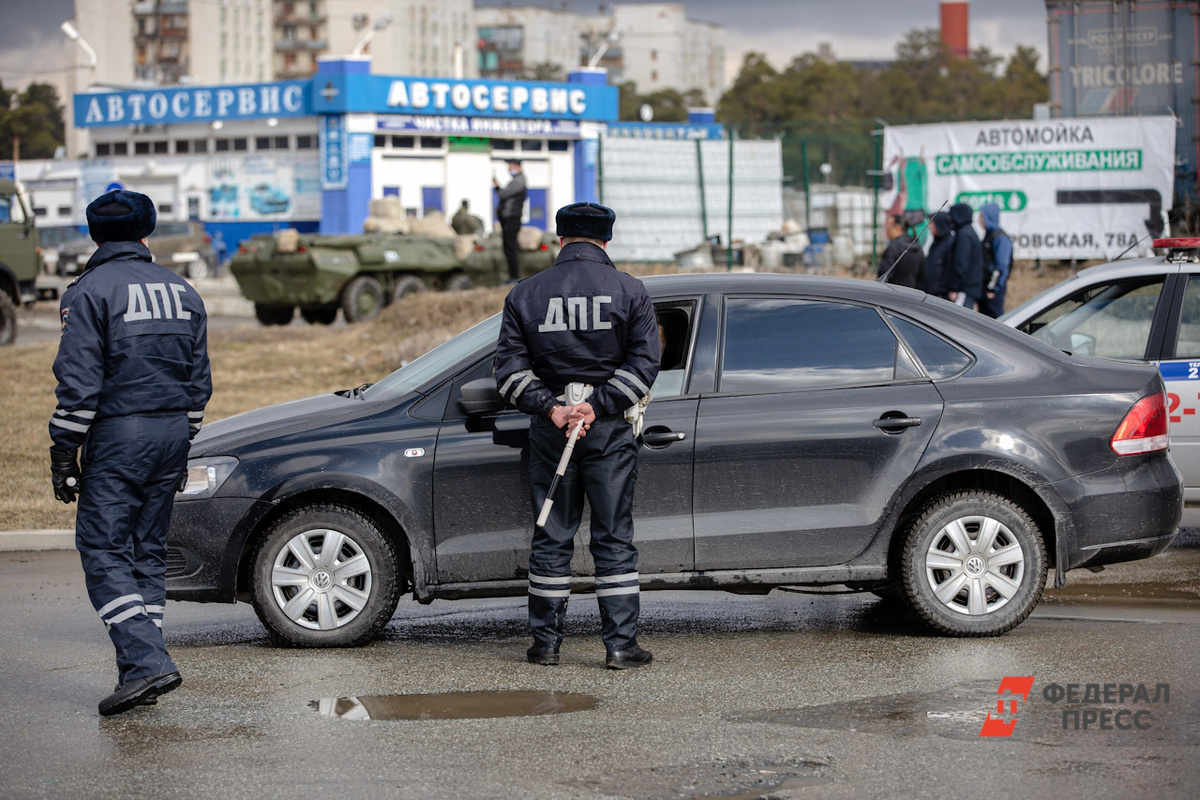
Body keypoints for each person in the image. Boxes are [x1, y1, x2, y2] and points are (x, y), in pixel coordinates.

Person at [49, 189, 211, 716]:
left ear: (95, 235)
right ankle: (139, 668)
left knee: (103, 549)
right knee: (145, 552)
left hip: (119, 436)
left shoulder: (89, 292)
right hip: (170, 436)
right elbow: (198, 381)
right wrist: (182, 440)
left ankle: (146, 664)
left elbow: (78, 383)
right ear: (148, 233)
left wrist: (63, 451)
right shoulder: (183, 290)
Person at [494, 201, 660, 670]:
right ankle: (621, 647)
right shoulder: (631, 291)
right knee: (613, 538)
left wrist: (554, 409)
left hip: (551, 433)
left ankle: (545, 646)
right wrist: (598, 405)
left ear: (560, 239)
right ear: (606, 240)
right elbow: (645, 365)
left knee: (551, 535)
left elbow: (507, 372)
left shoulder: (525, 293)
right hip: (607, 431)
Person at [493, 159, 527, 282]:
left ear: (517, 167)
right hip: (508, 219)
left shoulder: (519, 181)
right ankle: (513, 275)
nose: (509, 169)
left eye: (511, 166)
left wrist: (497, 187)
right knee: (508, 247)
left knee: (511, 247)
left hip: (512, 219)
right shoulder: (515, 181)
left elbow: (503, 195)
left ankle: (515, 276)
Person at [945, 201, 982, 309]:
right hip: (967, 287)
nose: (950, 218)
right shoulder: (968, 232)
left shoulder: (964, 235)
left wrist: (954, 288)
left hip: (964, 289)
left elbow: (961, 263)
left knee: (956, 320)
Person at [978, 202, 1012, 318]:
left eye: (981, 216)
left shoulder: (1000, 238)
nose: (979, 220)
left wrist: (992, 288)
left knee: (995, 320)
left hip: (993, 290)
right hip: (985, 287)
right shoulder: (989, 235)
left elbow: (1001, 266)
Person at [877, 214, 925, 289]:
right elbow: (922, 276)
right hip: (914, 295)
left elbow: (883, 276)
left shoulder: (893, 248)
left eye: (888, 226)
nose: (887, 230)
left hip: (894, 295)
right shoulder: (918, 247)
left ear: (897, 227)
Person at [924, 211, 953, 299]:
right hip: (930, 293)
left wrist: (941, 289)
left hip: (942, 296)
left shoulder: (950, 243)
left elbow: (950, 271)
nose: (929, 227)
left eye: (932, 223)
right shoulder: (935, 243)